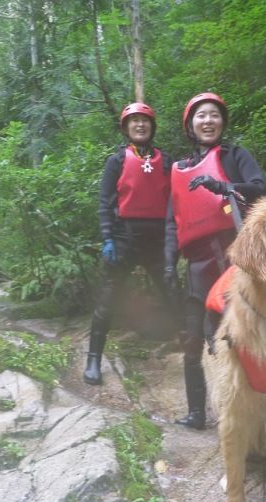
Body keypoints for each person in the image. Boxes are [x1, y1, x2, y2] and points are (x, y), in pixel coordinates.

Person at [165, 92, 266, 429]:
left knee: (236, 336)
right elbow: (172, 221)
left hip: (233, 257)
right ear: (190, 126)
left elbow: (258, 188)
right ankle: (196, 412)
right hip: (197, 266)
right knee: (193, 337)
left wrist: (223, 186)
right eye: (201, 116)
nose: (208, 121)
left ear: (222, 123)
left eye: (214, 115)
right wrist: (169, 263)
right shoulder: (179, 170)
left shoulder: (235, 155)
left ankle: (248, 412)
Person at [83, 102, 173, 385]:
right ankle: (93, 360)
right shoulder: (117, 161)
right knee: (110, 296)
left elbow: (176, 201)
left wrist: (176, 237)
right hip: (125, 235)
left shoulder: (167, 161)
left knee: (173, 291)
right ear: (126, 128)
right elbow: (104, 202)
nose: (140, 125)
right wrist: (107, 236)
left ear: (152, 126)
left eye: (145, 121)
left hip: (158, 236)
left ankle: (191, 349)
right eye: (134, 121)